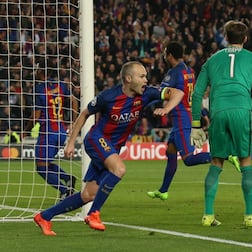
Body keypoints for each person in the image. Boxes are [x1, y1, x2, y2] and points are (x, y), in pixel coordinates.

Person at [33, 61, 184, 236]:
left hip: (112, 147)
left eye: (145, 76)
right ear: (128, 78)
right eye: (141, 76)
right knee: (119, 168)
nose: (146, 79)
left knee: (88, 194)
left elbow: (178, 93)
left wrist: (166, 108)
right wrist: (72, 141)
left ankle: (45, 216)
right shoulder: (108, 96)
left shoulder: (148, 93)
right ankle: (93, 214)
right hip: (96, 139)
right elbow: (84, 114)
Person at [190, 20, 252, 227]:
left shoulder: (212, 60)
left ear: (225, 37)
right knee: (245, 162)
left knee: (216, 163)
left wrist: (196, 124)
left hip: (218, 112)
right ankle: (249, 216)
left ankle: (208, 215)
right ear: (245, 38)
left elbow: (197, 94)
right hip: (242, 111)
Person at [147, 41, 239, 201]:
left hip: (181, 118)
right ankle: (163, 190)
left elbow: (161, 92)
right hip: (184, 116)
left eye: (165, 53)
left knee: (189, 159)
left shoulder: (173, 73)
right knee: (170, 152)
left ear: (169, 55)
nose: (163, 56)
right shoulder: (188, 71)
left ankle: (224, 154)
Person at [23, 66, 78, 200]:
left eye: (36, 70)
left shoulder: (39, 89)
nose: (35, 72)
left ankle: (64, 190)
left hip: (47, 132)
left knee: (41, 168)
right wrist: (73, 121)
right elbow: (74, 101)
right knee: (46, 164)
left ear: (42, 71)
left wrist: (26, 130)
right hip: (61, 132)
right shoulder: (61, 85)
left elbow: (36, 116)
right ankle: (68, 178)